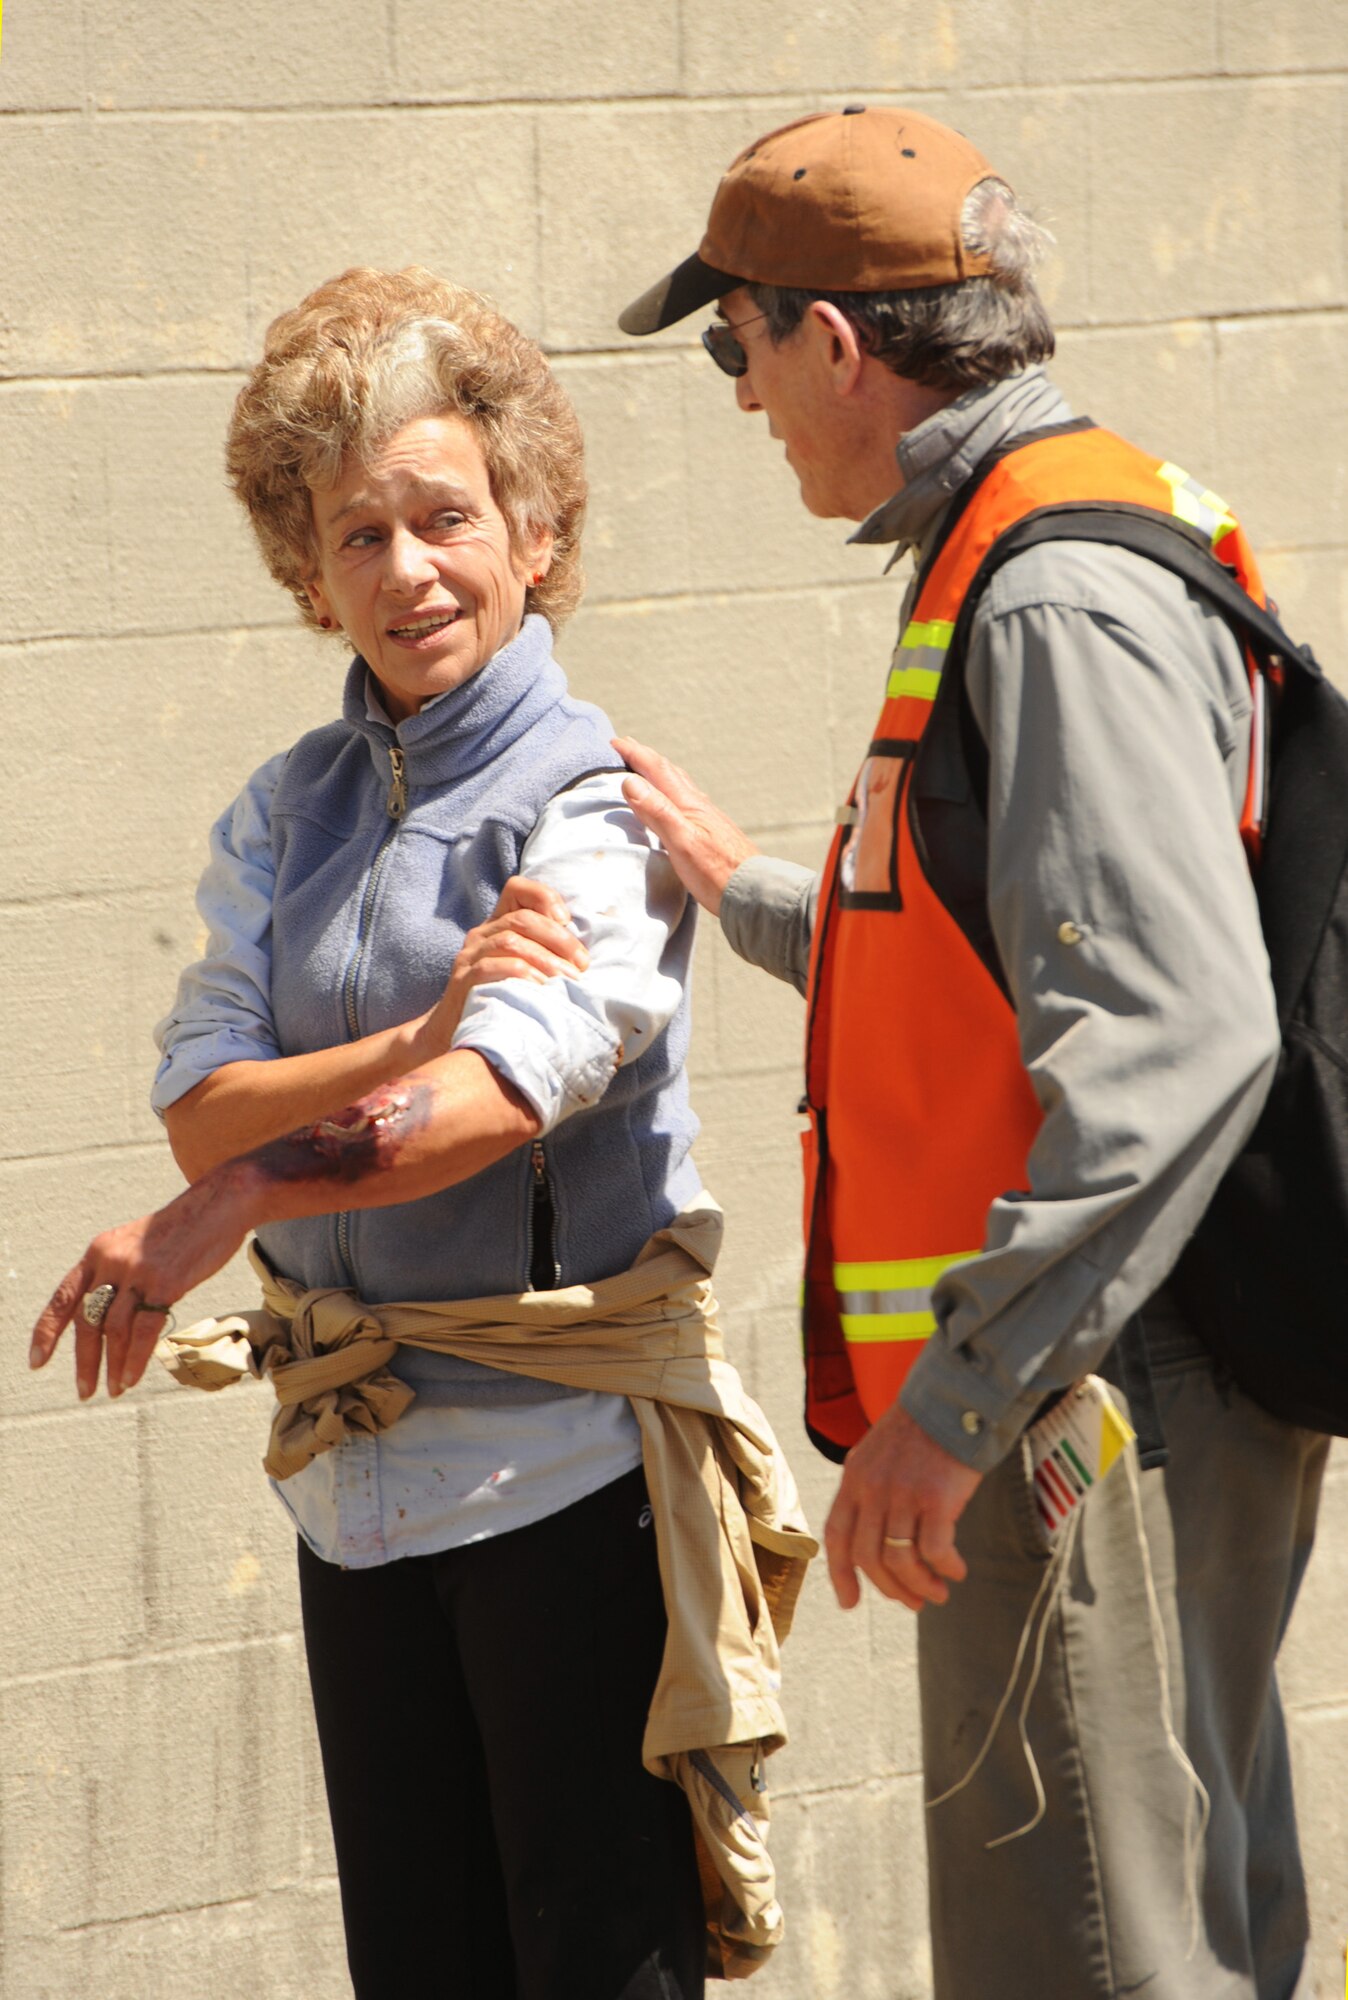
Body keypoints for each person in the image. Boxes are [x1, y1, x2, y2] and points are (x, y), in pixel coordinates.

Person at [28, 266, 815, 2000]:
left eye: (444, 517)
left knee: (603, 1970)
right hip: (355, 1498)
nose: (408, 571)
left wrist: (244, 1184)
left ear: (532, 529)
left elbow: (497, 1101)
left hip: (566, 1485)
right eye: (357, 533)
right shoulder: (284, 808)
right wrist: (407, 1031)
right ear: (307, 570)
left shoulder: (590, 798)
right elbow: (195, 1102)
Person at [612, 107, 1326, 1999]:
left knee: (1087, 1940)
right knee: (1186, 1905)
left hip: (1089, 1383)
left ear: (830, 343)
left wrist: (954, 1404)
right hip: (1136, 1349)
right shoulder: (1056, 531)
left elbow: (1173, 1039)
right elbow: (984, 960)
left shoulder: (1046, 595)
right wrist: (746, 890)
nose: (744, 397)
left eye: (735, 347)